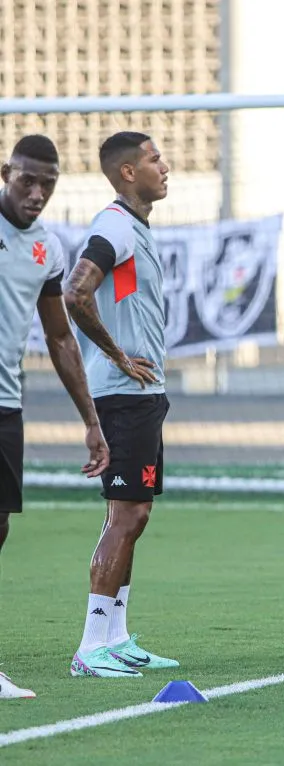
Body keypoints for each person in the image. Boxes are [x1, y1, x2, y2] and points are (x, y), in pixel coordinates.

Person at [63, 132, 177, 678]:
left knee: (135, 514)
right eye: (155, 158)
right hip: (123, 395)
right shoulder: (112, 225)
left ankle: (116, 636)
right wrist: (118, 356)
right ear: (128, 172)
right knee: (125, 515)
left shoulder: (134, 228)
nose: (166, 166)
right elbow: (76, 291)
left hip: (142, 395)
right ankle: (90, 648)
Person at [0, 135, 110, 698]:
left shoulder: (47, 249)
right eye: (27, 181)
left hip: (6, 406)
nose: (37, 193)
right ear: (5, 172)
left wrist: (90, 421)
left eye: (48, 184)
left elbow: (61, 338)